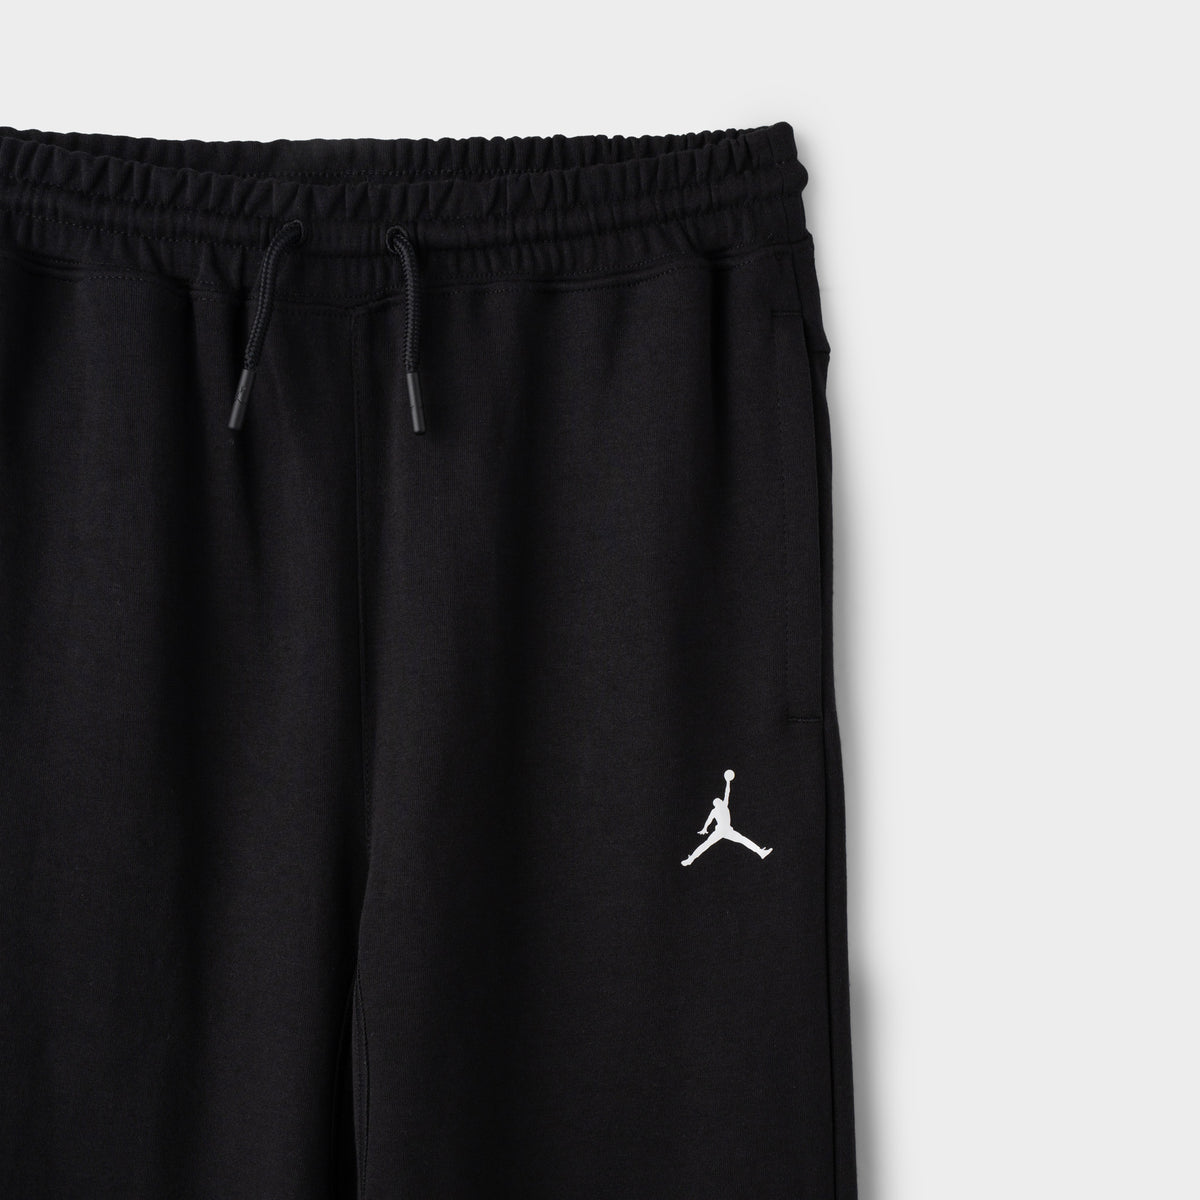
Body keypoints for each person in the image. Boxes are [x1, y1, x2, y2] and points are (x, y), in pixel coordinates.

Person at [681, 770, 772, 866]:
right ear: (715, 804)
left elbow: (727, 792)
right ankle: (690, 859)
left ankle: (760, 852)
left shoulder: (724, 805)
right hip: (720, 830)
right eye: (717, 801)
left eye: (719, 800)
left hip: (728, 830)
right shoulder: (716, 810)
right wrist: (705, 828)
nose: (719, 800)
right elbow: (708, 820)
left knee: (743, 840)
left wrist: (728, 782)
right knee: (706, 845)